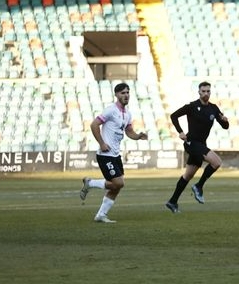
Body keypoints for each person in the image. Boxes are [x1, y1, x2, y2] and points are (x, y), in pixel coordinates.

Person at [79, 82, 148, 223]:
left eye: (127, 92)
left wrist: (138, 136)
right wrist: (102, 143)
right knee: (118, 183)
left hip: (115, 155)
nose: (126, 95)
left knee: (117, 186)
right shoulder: (110, 110)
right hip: (105, 155)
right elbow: (94, 124)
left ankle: (101, 215)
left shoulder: (127, 114)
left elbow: (129, 132)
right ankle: (90, 183)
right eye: (123, 93)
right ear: (116, 95)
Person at [164, 81, 230, 213]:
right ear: (199, 92)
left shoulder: (213, 108)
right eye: (203, 91)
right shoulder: (192, 106)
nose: (206, 93)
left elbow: (225, 127)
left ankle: (172, 201)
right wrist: (180, 132)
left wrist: (225, 121)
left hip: (201, 144)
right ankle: (199, 186)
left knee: (187, 176)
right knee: (217, 162)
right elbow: (174, 116)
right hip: (191, 143)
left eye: (208, 91)